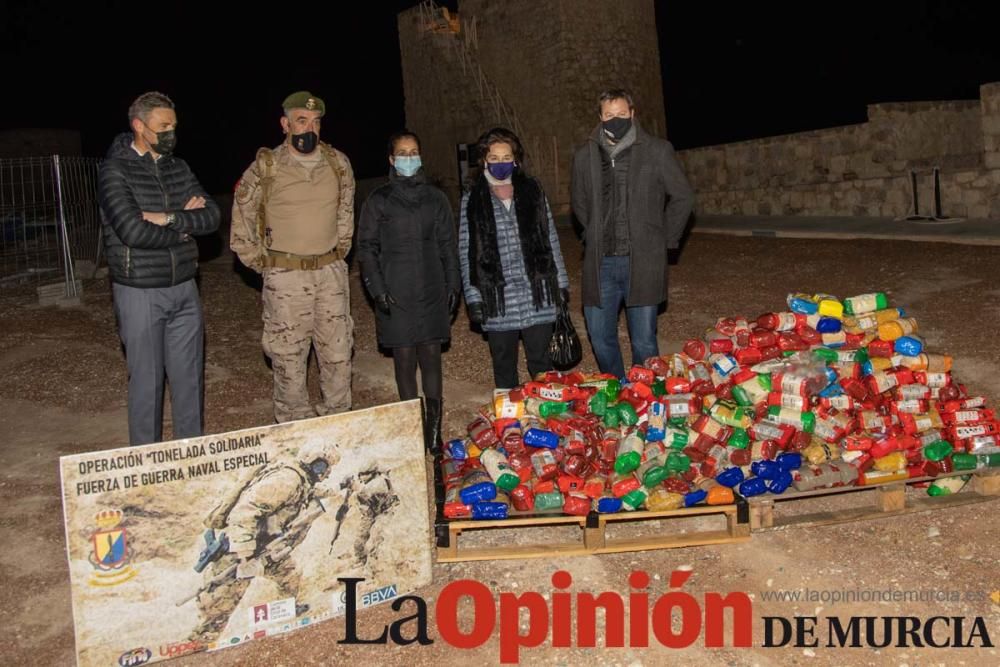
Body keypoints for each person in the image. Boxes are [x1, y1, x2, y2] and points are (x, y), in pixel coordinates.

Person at [98, 91, 220, 446]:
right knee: (147, 384)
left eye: (174, 125)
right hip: (140, 291)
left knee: (188, 381)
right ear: (139, 126)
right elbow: (132, 231)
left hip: (184, 288)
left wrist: (167, 218)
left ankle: (191, 456)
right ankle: (146, 464)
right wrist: (185, 227)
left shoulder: (178, 167)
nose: (171, 132)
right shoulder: (114, 171)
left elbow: (211, 217)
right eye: (162, 126)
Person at [231, 91, 356, 423]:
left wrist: (336, 255)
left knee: (338, 353)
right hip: (286, 277)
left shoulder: (338, 163)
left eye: (316, 122)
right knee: (288, 356)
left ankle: (339, 419)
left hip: (330, 273)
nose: (309, 129)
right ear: (285, 124)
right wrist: (270, 267)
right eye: (302, 121)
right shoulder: (265, 167)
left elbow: (345, 215)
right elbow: (241, 227)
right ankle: (293, 425)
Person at [571, 88, 695, 379]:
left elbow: (683, 197)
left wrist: (664, 239)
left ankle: (644, 395)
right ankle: (616, 387)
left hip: (642, 261)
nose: (616, 120)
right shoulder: (584, 155)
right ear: (600, 117)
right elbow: (578, 201)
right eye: (609, 115)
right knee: (600, 338)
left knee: (643, 341)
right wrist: (593, 231)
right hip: (601, 262)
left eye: (622, 114)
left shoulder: (656, 150)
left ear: (633, 113)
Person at [357, 131, 461, 452]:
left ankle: (433, 432)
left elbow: (447, 244)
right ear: (391, 159)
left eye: (413, 152)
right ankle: (411, 427)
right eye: (402, 153)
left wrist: (453, 282)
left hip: (431, 286)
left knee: (431, 357)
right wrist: (376, 288)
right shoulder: (379, 200)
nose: (408, 158)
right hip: (395, 289)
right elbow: (367, 247)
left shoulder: (436, 199)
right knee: (403, 359)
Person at [189, 441, 337, 641]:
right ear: (316, 463)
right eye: (326, 468)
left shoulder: (301, 479)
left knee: (289, 575)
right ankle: (201, 640)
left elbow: (306, 494)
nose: (327, 473)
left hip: (264, 546)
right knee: (223, 602)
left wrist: (336, 489)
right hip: (240, 548)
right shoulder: (287, 480)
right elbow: (244, 512)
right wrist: (245, 555)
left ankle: (287, 609)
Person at [459, 127, 570, 390]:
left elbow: (551, 237)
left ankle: (547, 418)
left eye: (506, 157)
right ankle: (509, 426)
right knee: (503, 363)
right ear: (484, 160)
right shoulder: (472, 200)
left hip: (537, 291)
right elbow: (466, 251)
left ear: (516, 159)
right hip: (497, 298)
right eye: (494, 158)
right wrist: (473, 296)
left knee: (541, 362)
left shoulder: (532, 191)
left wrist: (561, 283)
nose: (500, 163)